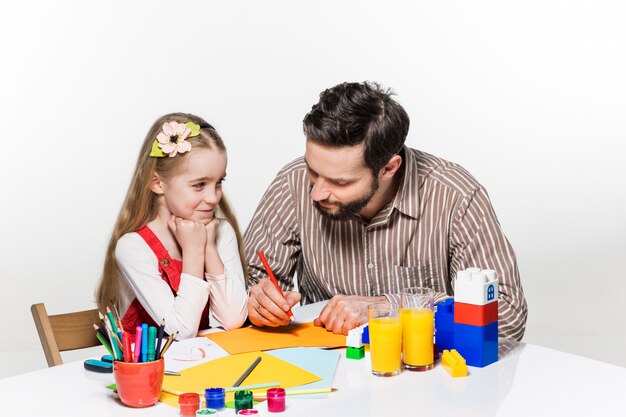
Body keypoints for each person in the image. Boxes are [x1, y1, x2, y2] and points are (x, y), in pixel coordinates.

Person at [244, 82, 528, 340]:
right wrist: (257, 300)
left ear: (389, 168)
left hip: (422, 374)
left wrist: (391, 308)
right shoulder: (292, 182)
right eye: (312, 170)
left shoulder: (455, 195)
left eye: (340, 182)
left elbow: (507, 315)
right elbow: (248, 282)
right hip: (324, 370)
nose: (316, 192)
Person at [96, 113, 248, 339]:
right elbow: (181, 330)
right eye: (199, 185)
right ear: (157, 183)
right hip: (151, 370)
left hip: (202, 366)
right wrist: (194, 251)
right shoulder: (133, 247)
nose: (213, 197)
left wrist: (208, 247)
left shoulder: (220, 232)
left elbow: (235, 319)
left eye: (218, 183)